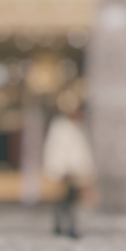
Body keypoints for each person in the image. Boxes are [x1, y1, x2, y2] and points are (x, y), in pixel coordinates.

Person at [41, 100, 96, 238]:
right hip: (63, 169)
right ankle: (61, 224)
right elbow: (54, 149)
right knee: (63, 199)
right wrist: (55, 168)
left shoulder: (79, 128)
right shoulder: (61, 128)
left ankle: (68, 225)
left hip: (75, 169)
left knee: (71, 200)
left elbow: (82, 151)